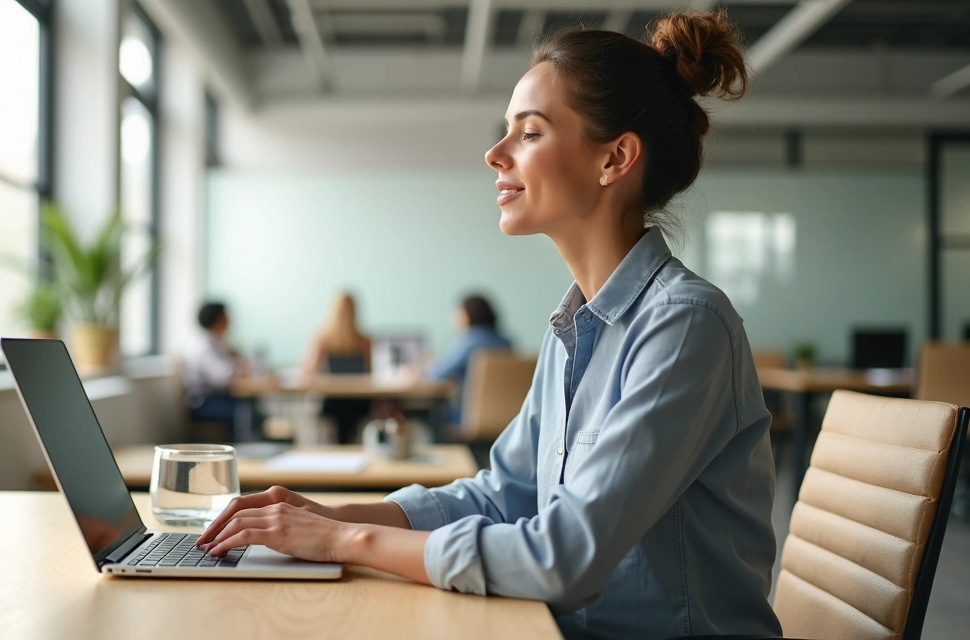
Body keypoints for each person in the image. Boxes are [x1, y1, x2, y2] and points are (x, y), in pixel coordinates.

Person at [197, 10, 780, 638]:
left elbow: (562, 559)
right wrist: (332, 514)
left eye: (528, 133)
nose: (494, 154)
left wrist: (346, 539)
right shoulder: (574, 326)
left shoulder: (685, 326)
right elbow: (505, 494)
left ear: (615, 159)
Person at [428, 294, 513, 424]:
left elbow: (436, 374)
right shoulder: (506, 342)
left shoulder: (469, 341)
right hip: (507, 421)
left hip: (468, 419)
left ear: (466, 316)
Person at [182, 302, 244, 429]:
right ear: (218, 319)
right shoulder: (203, 345)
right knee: (245, 413)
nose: (230, 321)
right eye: (226, 316)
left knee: (251, 409)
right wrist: (237, 367)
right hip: (204, 402)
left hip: (216, 398)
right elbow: (222, 377)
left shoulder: (215, 341)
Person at [301, 292, 373, 376]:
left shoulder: (322, 340)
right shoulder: (364, 341)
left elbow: (309, 369)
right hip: (358, 388)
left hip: (329, 388)